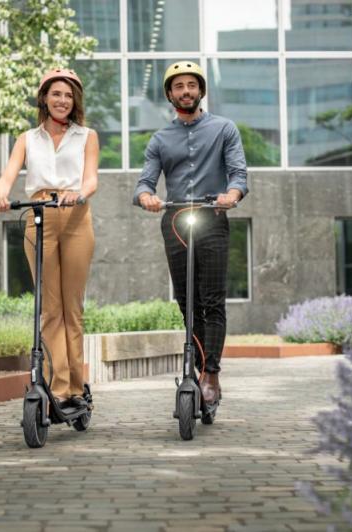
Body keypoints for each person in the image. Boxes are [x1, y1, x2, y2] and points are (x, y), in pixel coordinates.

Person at [133, 61, 248, 407]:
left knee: (212, 299)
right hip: (175, 221)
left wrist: (232, 194)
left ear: (201, 91)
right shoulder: (160, 139)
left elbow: (238, 173)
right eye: (179, 86)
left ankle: (211, 372)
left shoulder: (225, 128)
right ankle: (196, 365)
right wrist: (146, 197)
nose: (186, 91)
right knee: (187, 301)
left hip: (212, 218)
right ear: (169, 95)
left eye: (191, 85)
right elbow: (145, 181)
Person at [0, 68, 99, 408]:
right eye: (56, 94)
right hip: (38, 218)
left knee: (72, 307)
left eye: (68, 95)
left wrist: (78, 193)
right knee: (50, 308)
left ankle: (77, 387)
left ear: (74, 101)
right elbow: (8, 175)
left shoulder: (86, 136)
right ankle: (59, 385)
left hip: (75, 217)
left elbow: (92, 179)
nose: (62, 100)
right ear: (44, 98)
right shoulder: (27, 139)